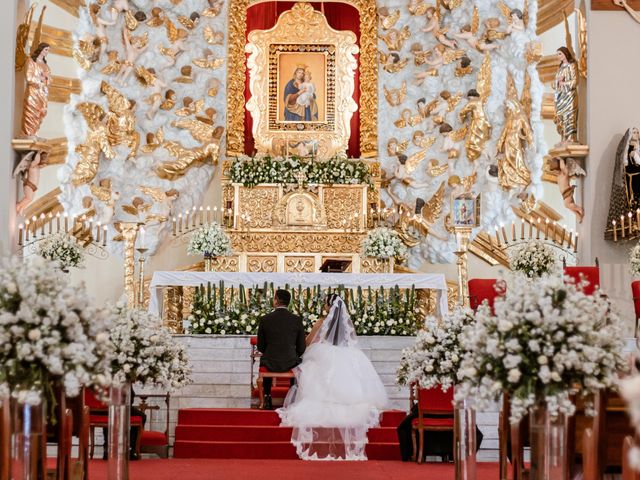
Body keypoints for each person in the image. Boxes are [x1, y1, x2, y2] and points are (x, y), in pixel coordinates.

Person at [278, 294, 388, 460]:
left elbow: (308, 342)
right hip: (346, 355)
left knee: (311, 368)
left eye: (325, 304)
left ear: (328, 307)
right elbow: (350, 341)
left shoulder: (321, 322)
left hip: (324, 354)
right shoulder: (346, 323)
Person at [257, 289, 306, 410]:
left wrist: (269, 352)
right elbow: (301, 347)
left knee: (266, 359)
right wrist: (293, 354)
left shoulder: (265, 319)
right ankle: (292, 397)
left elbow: (260, 346)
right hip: (290, 361)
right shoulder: (296, 319)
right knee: (296, 362)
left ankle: (267, 397)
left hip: (270, 361)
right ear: (288, 302)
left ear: (276, 300)